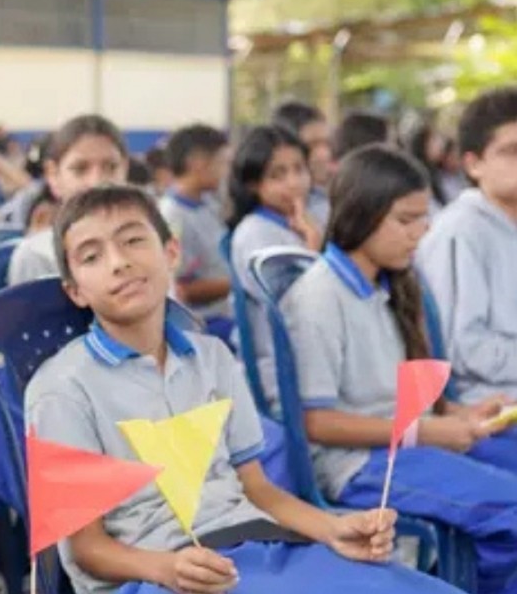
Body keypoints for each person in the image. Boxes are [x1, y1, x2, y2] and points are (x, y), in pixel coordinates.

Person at [26, 185, 461, 594]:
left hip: (255, 545)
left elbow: (257, 489)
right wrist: (166, 568)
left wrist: (334, 528)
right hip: (161, 575)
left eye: (133, 240)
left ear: (171, 252)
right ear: (75, 291)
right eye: (92, 256)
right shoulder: (62, 389)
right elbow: (86, 548)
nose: (118, 262)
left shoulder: (212, 357)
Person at [282, 145, 517, 593]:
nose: (420, 233)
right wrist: (427, 432)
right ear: (362, 216)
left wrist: (462, 415)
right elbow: (317, 422)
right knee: (511, 508)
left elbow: (399, 399)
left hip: (404, 445)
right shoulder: (319, 298)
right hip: (358, 464)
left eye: (422, 218)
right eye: (405, 220)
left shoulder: (386, 287)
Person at [417, 86, 517, 404]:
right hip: (483, 401)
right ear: (474, 165)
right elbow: (462, 347)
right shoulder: (460, 232)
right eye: (512, 151)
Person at [229, 125, 321, 405]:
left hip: (308, 364)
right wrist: (314, 246)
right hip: (281, 377)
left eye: (299, 169)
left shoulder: (301, 223)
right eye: (277, 175)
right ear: (253, 184)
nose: (294, 183)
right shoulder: (256, 233)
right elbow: (298, 306)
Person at [7, 114, 128, 286]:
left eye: (111, 167)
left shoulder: (149, 246)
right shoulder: (37, 256)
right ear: (53, 175)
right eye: (80, 169)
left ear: (125, 169)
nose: (97, 181)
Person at [159, 123, 234, 339]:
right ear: (198, 163)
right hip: (202, 326)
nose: (226, 172)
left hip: (224, 314)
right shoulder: (173, 216)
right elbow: (182, 289)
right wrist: (238, 283)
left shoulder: (207, 204)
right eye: (222, 163)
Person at [272, 100, 334, 227]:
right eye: (313, 144)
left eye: (327, 143)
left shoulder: (326, 199)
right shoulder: (270, 219)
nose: (325, 154)